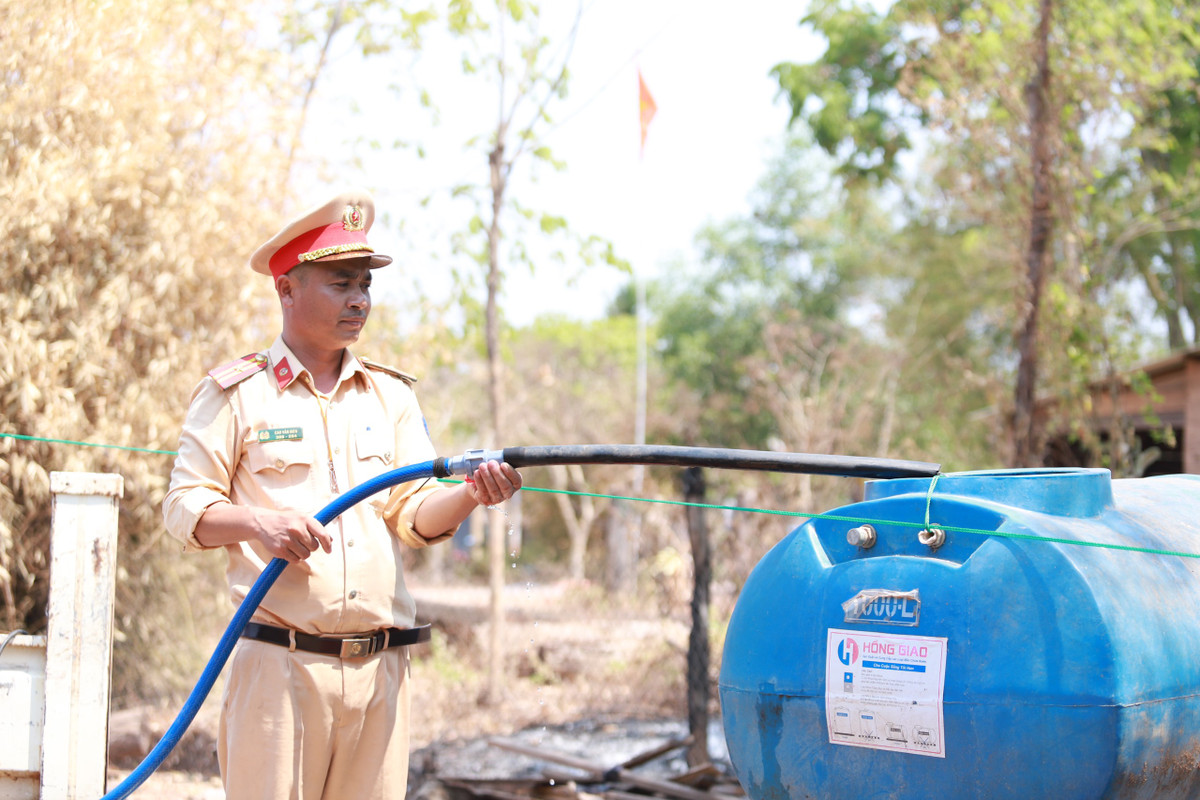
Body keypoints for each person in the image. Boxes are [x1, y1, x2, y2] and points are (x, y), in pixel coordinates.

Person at [162, 188, 522, 800]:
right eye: (340, 283)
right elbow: (183, 507)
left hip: (380, 670)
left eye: (365, 285)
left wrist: (470, 496)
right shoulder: (238, 393)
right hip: (280, 668)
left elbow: (412, 515)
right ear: (287, 289)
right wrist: (260, 524)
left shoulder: (391, 397)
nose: (359, 299)